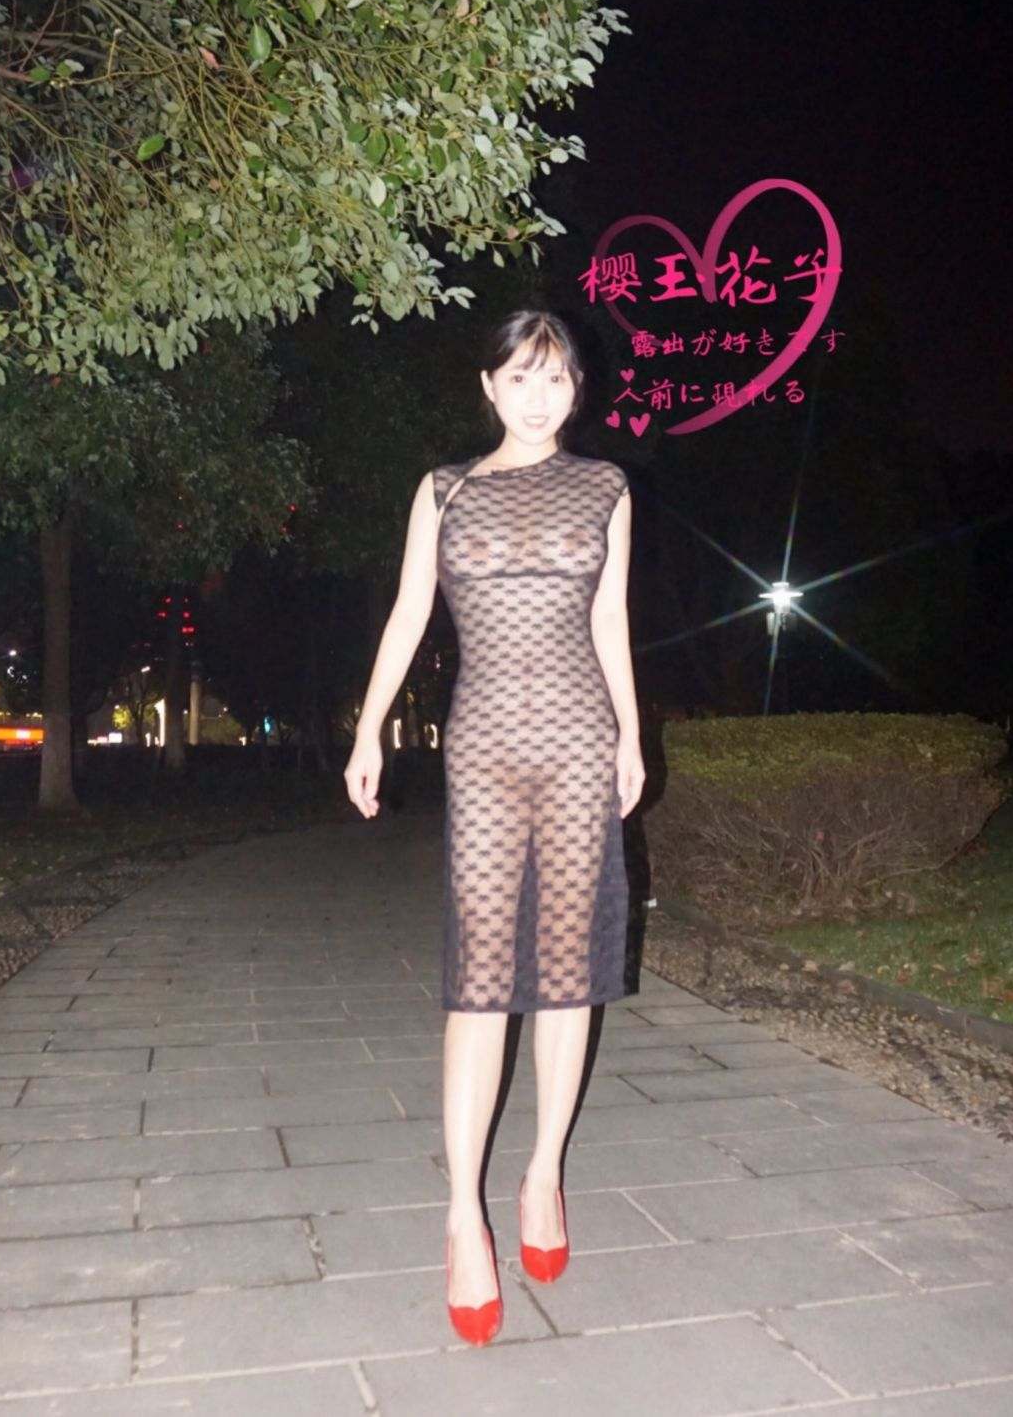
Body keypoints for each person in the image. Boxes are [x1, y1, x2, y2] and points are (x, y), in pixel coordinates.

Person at [344, 308, 643, 1345]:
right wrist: (369, 727)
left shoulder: (606, 486)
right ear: (488, 386)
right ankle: (461, 1216)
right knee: (479, 979)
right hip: (481, 745)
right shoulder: (445, 489)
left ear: (576, 388)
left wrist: (630, 735)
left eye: (555, 377)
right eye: (520, 376)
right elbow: (409, 610)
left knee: (565, 971)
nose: (538, 395)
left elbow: (609, 617)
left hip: (577, 739)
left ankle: (543, 1171)